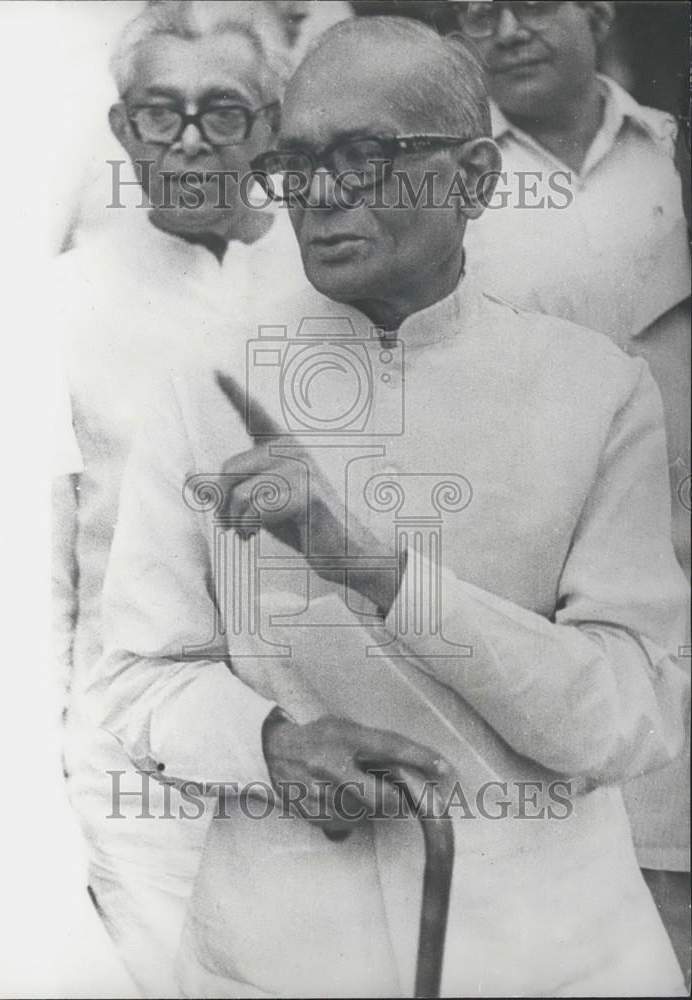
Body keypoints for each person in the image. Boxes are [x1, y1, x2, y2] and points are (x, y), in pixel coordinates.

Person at [90, 16, 688, 996]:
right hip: (282, 946)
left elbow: (627, 717)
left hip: (552, 947)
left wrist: (374, 568)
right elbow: (140, 680)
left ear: (478, 178)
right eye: (298, 162)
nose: (321, 197)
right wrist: (269, 743)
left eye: (366, 157)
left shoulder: (596, 390)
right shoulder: (206, 386)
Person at [51, 2, 305, 994]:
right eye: (161, 113)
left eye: (225, 113)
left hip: (316, 765)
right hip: (138, 789)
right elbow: (38, 576)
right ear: (124, 130)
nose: (192, 142)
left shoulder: (338, 279)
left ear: (273, 126)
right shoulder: (60, 304)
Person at [454, 1, 691, 981]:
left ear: (597, 11)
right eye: (479, 13)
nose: (508, 30)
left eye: (535, 4)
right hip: (546, 588)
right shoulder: (455, 180)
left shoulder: (671, 155)